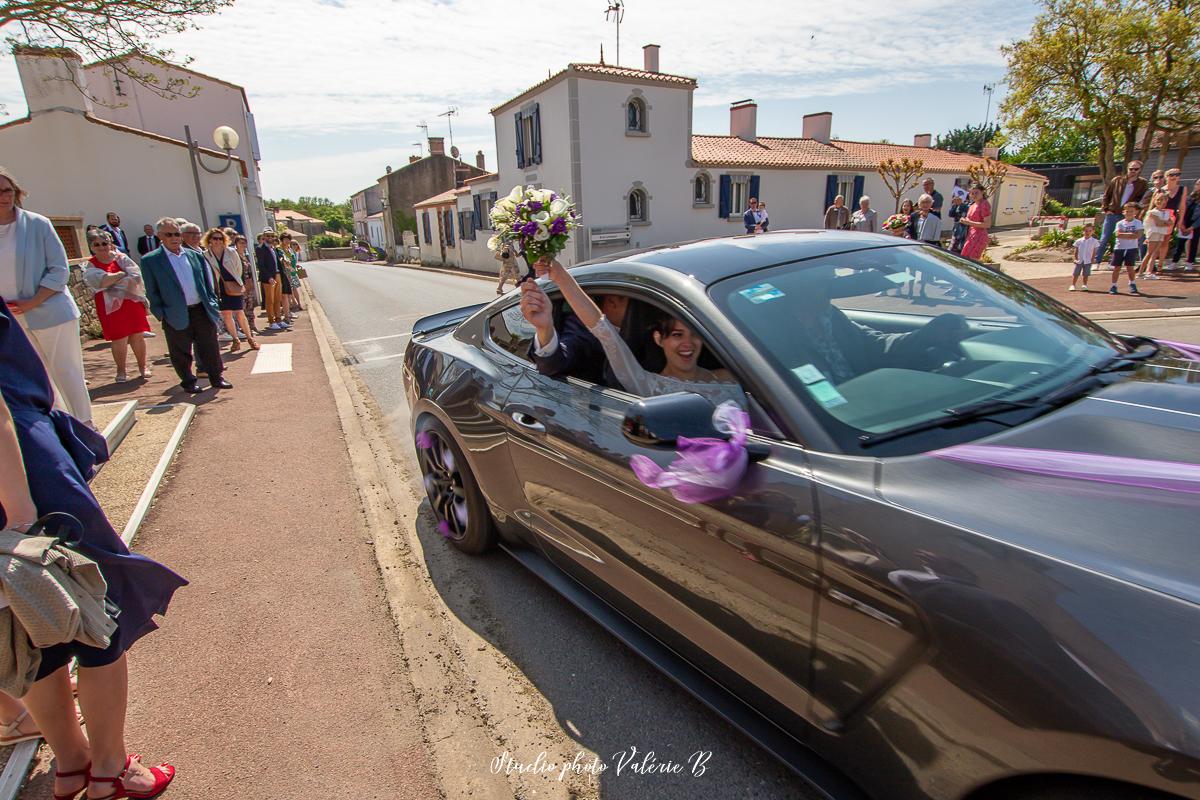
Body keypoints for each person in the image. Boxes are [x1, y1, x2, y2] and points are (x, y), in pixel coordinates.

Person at [0, 300, 184, 800]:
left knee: (30, 621)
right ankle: (109, 767)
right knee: (91, 606)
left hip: (19, 458)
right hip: (20, 468)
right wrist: (19, 517)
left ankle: (72, 762)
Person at [532, 257, 745, 408]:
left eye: (695, 334)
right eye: (677, 335)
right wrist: (560, 277)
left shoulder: (729, 376)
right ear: (659, 339)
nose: (688, 343)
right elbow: (601, 328)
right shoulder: (646, 384)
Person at [0, 167, 92, 426]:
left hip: (50, 311)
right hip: (9, 319)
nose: (3, 196)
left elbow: (59, 270)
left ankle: (84, 425)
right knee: (37, 375)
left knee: (67, 371)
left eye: (7, 190)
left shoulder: (38, 224)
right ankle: (60, 426)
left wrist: (32, 302)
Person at [140, 217, 232, 392]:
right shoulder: (151, 260)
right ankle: (189, 382)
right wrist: (161, 313)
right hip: (175, 312)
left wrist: (211, 303)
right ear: (160, 236)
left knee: (210, 346)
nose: (174, 238)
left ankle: (216, 377)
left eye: (177, 234)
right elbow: (152, 290)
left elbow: (206, 282)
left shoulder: (194, 255)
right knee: (180, 351)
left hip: (200, 308)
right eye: (169, 235)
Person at [520, 281, 628, 386]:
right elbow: (554, 363)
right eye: (632, 303)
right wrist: (544, 328)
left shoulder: (636, 329)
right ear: (612, 301)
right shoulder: (582, 329)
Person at [82, 231, 152, 381]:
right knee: (119, 338)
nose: (102, 247)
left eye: (105, 243)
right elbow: (98, 282)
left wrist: (110, 281)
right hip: (109, 306)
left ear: (111, 243)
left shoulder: (121, 258)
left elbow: (135, 276)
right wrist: (121, 275)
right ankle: (121, 371)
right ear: (92, 247)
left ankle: (143, 367)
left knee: (137, 336)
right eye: (97, 244)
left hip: (131, 302)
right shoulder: (91, 264)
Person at [203, 227, 258, 353]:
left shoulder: (231, 252)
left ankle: (250, 338)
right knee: (226, 314)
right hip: (218, 287)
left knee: (239, 313)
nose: (217, 241)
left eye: (220, 238)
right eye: (214, 238)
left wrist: (238, 283)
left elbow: (239, 269)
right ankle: (235, 339)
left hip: (233, 284)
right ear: (209, 240)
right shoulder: (206, 254)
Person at [1096, 161, 1147, 266]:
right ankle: (1097, 261)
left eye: (1136, 169)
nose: (1133, 171)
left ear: (1140, 170)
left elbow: (1142, 199)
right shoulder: (1117, 180)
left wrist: (1136, 211)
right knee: (1105, 237)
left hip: (1128, 215)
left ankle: (1141, 263)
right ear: (1127, 169)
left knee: (1133, 238)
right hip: (1113, 213)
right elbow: (1107, 195)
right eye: (1131, 169)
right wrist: (1106, 209)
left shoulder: (1142, 183)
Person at [1109, 202, 1143, 295]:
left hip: (1131, 248)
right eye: (1127, 211)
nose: (1129, 213)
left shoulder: (1138, 222)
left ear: (1135, 212)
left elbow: (1138, 235)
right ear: (1124, 212)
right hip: (1119, 248)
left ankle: (1132, 284)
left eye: (1131, 211)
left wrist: (1126, 235)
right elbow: (1118, 234)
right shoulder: (1120, 223)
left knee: (1130, 267)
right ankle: (1114, 285)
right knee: (1117, 267)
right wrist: (1131, 234)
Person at [256, 230, 287, 331]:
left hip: (277, 274)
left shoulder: (273, 248)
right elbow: (261, 265)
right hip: (269, 277)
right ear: (264, 237)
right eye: (267, 236)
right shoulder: (260, 248)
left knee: (278, 299)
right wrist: (269, 277)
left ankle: (278, 319)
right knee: (270, 300)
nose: (270, 237)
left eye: (272, 236)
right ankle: (271, 321)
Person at [1139, 190, 1172, 280]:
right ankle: (1141, 273)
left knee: (1155, 253)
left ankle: (1148, 272)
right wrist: (1165, 222)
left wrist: (1164, 222)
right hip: (1153, 233)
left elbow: (1170, 223)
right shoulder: (1152, 212)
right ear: (1154, 201)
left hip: (1161, 233)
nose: (1161, 202)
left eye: (1164, 200)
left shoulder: (1166, 212)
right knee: (1149, 253)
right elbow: (1159, 223)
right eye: (1159, 200)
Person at [234, 234, 261, 333]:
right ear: (236, 244)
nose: (243, 245)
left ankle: (252, 326)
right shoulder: (235, 256)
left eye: (244, 243)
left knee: (250, 306)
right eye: (241, 243)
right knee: (243, 308)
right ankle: (244, 328)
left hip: (248, 284)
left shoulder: (245, 256)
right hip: (241, 285)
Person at [1171, 178, 1200, 269]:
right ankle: (1174, 262)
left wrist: (1192, 227)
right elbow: (1182, 210)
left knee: (1194, 244)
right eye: (1198, 184)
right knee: (1180, 243)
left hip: (1196, 225)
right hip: (1185, 223)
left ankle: (1190, 263)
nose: (1198, 186)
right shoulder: (1190, 197)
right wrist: (1182, 223)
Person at [959, 183, 991, 260]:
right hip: (971, 235)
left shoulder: (984, 204)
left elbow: (987, 224)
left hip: (980, 236)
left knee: (972, 260)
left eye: (976, 193)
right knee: (965, 259)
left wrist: (969, 223)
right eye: (972, 193)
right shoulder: (972, 205)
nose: (974, 195)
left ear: (982, 192)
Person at [1069, 222, 1099, 292]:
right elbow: (1076, 251)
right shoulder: (1079, 241)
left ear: (1093, 231)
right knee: (1076, 273)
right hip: (1080, 260)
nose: (1087, 232)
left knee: (1086, 274)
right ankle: (1073, 285)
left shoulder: (1094, 241)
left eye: (1090, 231)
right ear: (1083, 231)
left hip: (1088, 261)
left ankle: (1084, 285)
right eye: (1086, 231)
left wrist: (1092, 259)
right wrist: (1076, 259)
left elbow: (1094, 252)